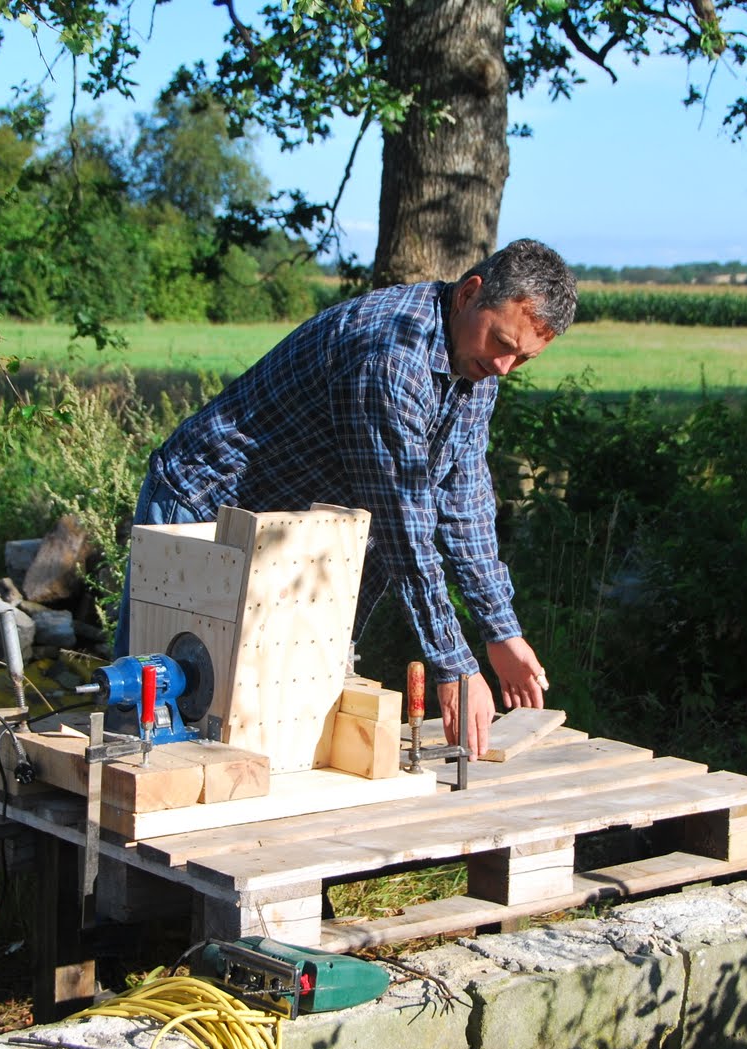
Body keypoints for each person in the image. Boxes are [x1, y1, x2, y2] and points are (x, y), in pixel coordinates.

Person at [114, 238, 579, 758]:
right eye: (502, 342)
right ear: (470, 293)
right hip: (205, 503)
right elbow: (404, 527)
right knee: (151, 715)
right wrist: (453, 664)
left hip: (290, 535)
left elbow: (464, 506)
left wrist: (501, 632)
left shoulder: (477, 368)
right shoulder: (390, 358)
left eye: (524, 358)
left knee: (271, 722)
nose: (505, 366)